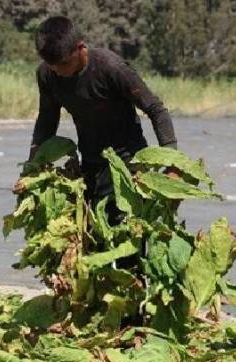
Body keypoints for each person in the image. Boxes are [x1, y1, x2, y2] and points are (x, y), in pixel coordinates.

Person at [28, 16, 177, 218]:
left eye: (63, 64)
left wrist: (173, 166)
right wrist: (31, 168)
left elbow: (156, 110)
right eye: (51, 65)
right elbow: (47, 121)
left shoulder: (111, 68)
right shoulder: (47, 74)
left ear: (80, 48)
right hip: (90, 166)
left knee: (127, 239)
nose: (57, 71)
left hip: (128, 167)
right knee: (89, 238)